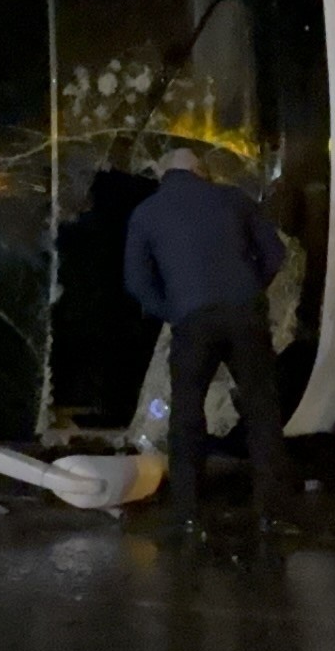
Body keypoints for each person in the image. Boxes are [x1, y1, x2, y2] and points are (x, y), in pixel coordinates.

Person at [122, 146, 289, 527]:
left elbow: (135, 282)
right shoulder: (234, 198)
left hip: (191, 320)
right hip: (245, 315)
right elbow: (275, 253)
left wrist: (173, 310)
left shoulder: (147, 212)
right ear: (200, 170)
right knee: (262, 409)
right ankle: (271, 511)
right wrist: (252, 291)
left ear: (163, 174)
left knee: (186, 412)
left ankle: (188, 512)